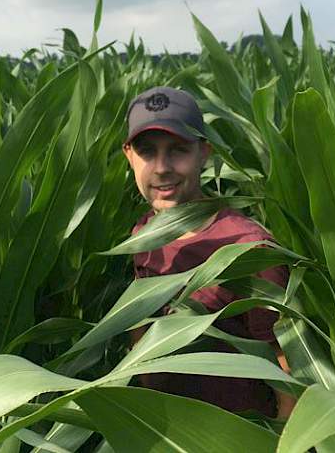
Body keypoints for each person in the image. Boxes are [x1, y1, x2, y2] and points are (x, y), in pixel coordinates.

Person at [122, 85, 294, 418]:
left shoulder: (247, 247)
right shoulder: (143, 234)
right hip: (163, 429)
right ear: (129, 154)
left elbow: (285, 369)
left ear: (204, 153)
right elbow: (138, 321)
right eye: (147, 151)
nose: (161, 167)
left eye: (177, 150)